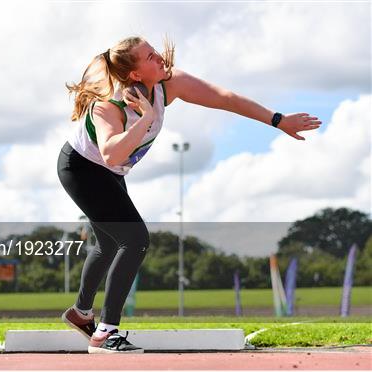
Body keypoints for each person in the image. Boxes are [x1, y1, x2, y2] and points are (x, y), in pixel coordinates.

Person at [57, 36, 321, 354]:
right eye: (150, 56)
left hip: (108, 172)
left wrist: (277, 120)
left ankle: (80, 313)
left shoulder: (169, 82)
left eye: (155, 51)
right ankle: (104, 334)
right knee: (134, 239)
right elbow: (111, 155)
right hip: (82, 169)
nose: (160, 58)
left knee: (111, 242)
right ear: (136, 74)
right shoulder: (108, 105)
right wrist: (148, 119)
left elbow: (224, 98)